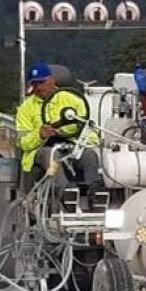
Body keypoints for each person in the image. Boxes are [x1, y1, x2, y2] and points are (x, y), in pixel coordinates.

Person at [14, 62, 96, 197]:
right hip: (41, 150)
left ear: (52, 80)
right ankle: (65, 193)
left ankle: (94, 192)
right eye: (34, 84)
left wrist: (77, 139)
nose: (38, 87)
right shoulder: (25, 108)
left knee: (89, 156)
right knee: (51, 155)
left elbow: (90, 130)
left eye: (42, 82)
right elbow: (22, 142)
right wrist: (39, 134)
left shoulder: (73, 100)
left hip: (72, 146)